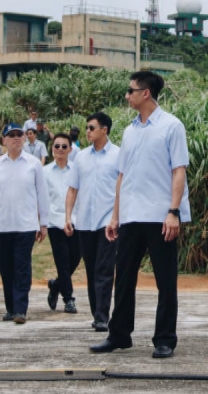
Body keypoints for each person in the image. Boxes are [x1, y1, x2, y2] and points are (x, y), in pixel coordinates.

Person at [91, 71, 191, 359]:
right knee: (123, 278)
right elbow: (123, 176)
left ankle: (164, 339)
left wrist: (173, 212)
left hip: (160, 216)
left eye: (131, 90)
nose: (127, 95)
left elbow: (179, 171)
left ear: (145, 93)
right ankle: (119, 335)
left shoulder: (172, 126)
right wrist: (115, 216)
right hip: (131, 216)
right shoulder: (130, 130)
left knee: (165, 279)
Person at [0, 122, 48, 324]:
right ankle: (11, 308)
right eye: (11, 135)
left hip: (26, 225)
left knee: (22, 267)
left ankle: (21, 309)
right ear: (4, 140)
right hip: (2, 225)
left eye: (19, 134)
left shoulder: (33, 163)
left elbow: (42, 195)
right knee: (6, 268)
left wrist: (43, 222)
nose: (16, 138)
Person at [65, 112, 120, 332]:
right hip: (85, 222)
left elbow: (121, 189)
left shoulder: (118, 154)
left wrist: (116, 218)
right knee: (90, 269)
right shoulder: (80, 157)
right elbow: (72, 189)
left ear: (104, 129)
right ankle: (97, 312)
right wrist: (68, 217)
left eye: (91, 127)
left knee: (104, 269)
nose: (87, 131)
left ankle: (102, 316)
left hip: (108, 222)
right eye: (87, 127)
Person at [44, 133, 79, 314]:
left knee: (74, 259)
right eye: (57, 146)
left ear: (70, 150)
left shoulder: (76, 170)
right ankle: (68, 298)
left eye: (64, 147)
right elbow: (42, 199)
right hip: (54, 222)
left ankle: (56, 284)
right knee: (62, 261)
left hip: (75, 221)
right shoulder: (45, 172)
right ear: (52, 149)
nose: (60, 150)